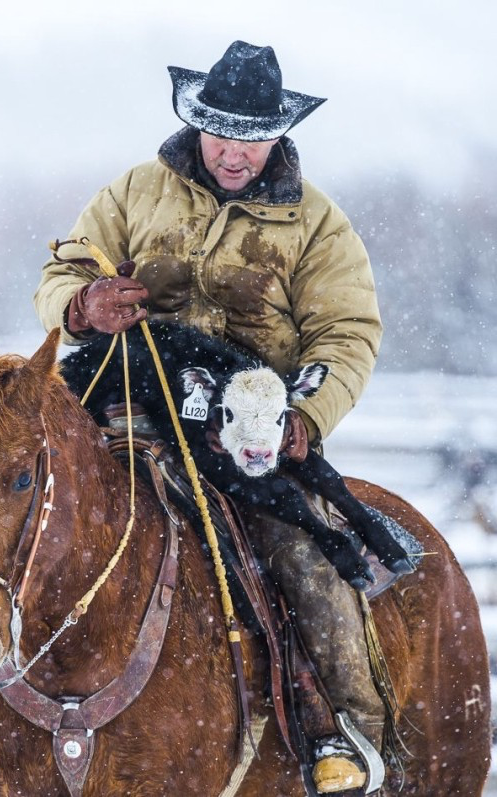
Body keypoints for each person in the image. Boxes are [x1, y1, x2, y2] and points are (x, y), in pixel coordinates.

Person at [34, 41, 385, 794]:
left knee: (307, 557)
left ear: (277, 134)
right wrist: (82, 303)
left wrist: (306, 413)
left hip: (247, 432)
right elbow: (65, 266)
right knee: (32, 538)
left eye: (251, 137)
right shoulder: (134, 192)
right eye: (221, 132)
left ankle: (342, 728)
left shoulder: (318, 225)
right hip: (126, 408)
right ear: (196, 122)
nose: (234, 152)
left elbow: (347, 333)